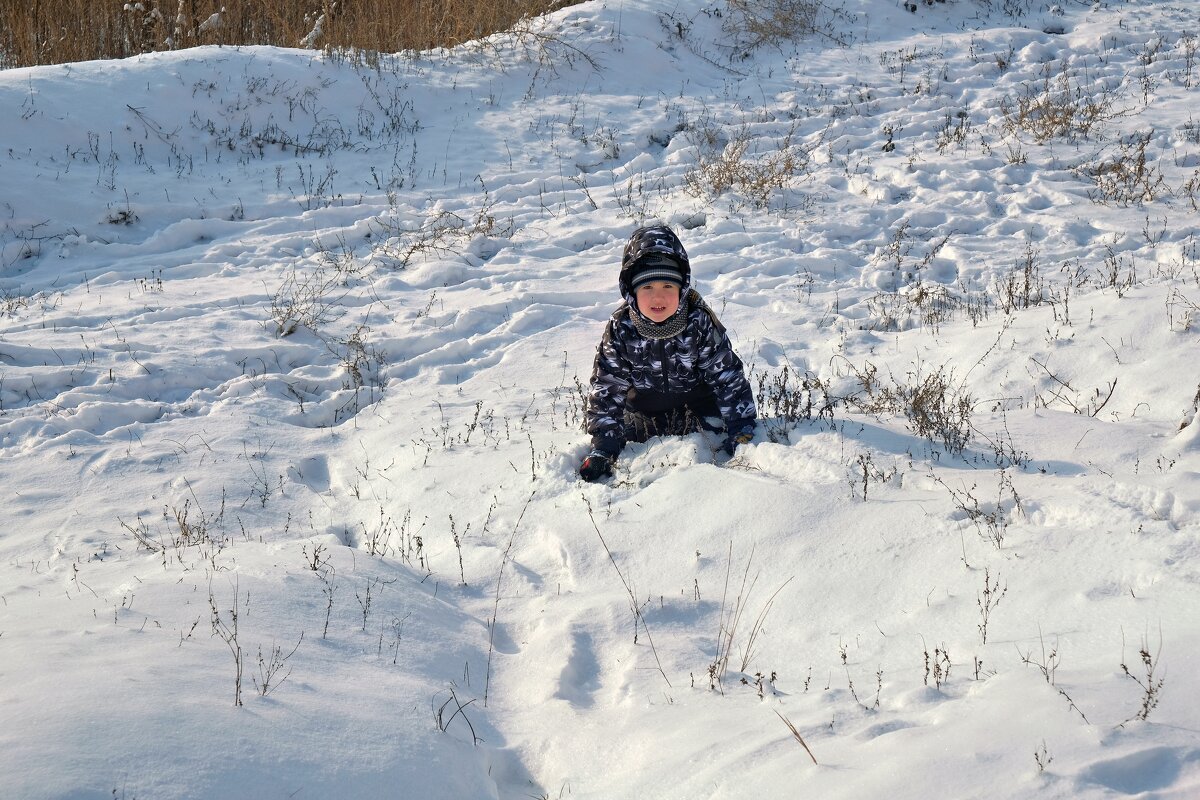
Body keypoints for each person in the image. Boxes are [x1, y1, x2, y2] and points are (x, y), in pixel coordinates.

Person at [579, 225, 757, 482]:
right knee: (627, 440)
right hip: (643, 413)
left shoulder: (698, 320)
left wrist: (741, 428)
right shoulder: (622, 327)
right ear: (631, 291)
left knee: (714, 439)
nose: (658, 297)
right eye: (647, 287)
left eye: (667, 286)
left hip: (696, 408)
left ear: (682, 287)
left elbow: (726, 376)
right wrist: (604, 445)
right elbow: (608, 384)